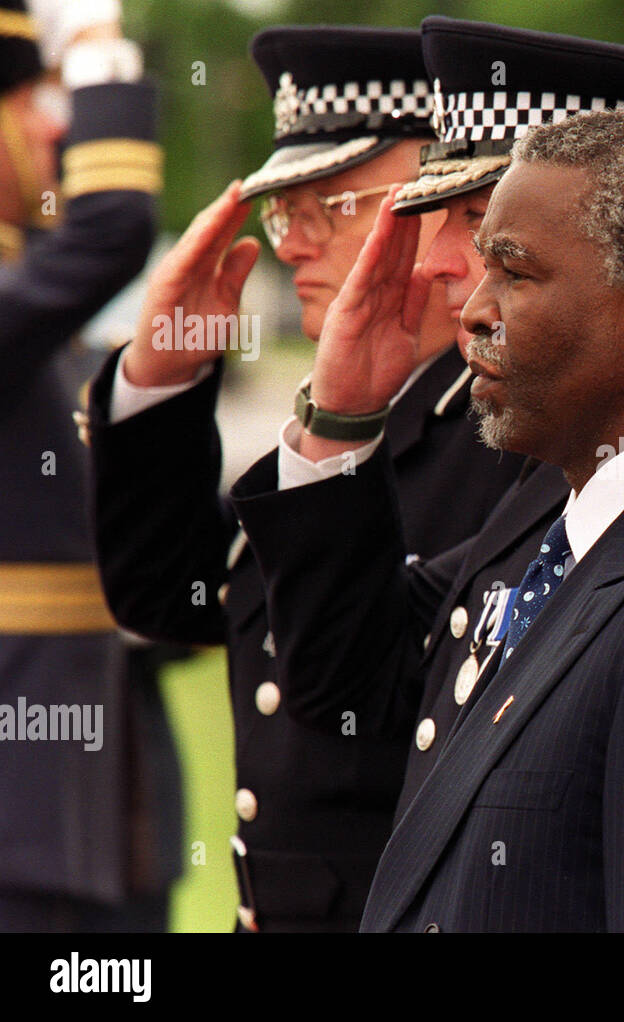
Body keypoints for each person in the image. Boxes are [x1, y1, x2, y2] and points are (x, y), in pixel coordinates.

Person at [230, 103, 624, 932]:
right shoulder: (575, 528)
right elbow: (348, 669)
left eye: (517, 273)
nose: (473, 311)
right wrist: (343, 414)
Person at [84, 26, 524, 932]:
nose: (292, 245)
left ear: (447, 193)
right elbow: (175, 594)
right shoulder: (373, 410)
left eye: (334, 201)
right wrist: (160, 380)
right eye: (288, 212)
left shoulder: (519, 432)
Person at [0, 0, 183, 931]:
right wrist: (98, 46)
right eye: (29, 97)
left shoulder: (39, 309)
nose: (53, 121)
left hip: (110, 803)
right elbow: (115, 227)